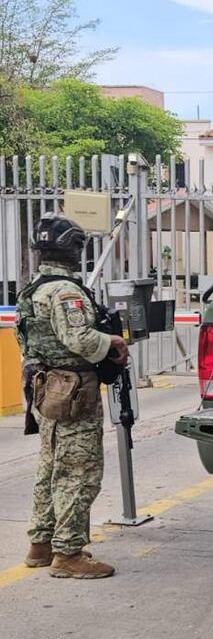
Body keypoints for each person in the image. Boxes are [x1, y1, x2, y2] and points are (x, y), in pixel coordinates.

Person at [15, 214, 127, 579]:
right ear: (73, 249)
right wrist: (112, 341)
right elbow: (80, 340)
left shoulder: (32, 290)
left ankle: (41, 544)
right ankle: (68, 553)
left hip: (46, 388)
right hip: (74, 390)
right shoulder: (66, 292)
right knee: (80, 472)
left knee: (50, 468)